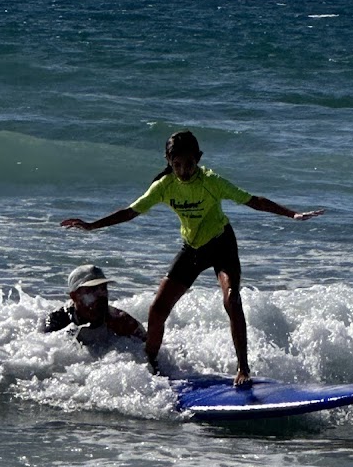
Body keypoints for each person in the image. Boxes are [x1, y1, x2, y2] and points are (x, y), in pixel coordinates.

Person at [61, 130, 323, 386]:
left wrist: (292, 215)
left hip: (222, 245)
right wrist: (92, 225)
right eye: (177, 165)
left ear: (198, 158)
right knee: (157, 309)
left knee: (232, 298)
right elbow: (131, 212)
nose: (184, 170)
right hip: (192, 249)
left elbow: (253, 201)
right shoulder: (163, 187)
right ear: (169, 163)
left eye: (189, 164)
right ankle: (151, 363)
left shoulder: (211, 181)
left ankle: (243, 368)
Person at [42, 263, 146, 345]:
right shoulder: (58, 320)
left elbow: (148, 346)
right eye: (92, 290)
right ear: (74, 296)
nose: (101, 295)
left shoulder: (120, 320)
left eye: (103, 288)